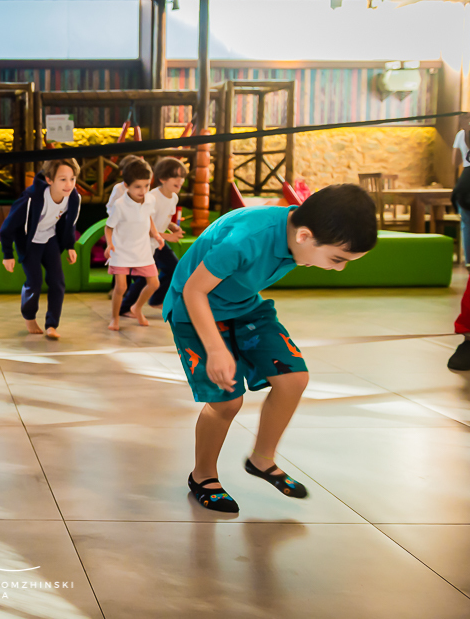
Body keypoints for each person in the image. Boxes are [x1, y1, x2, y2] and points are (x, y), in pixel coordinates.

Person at [164, 185, 377, 512]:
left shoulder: (297, 236)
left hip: (244, 305)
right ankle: (203, 475)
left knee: (294, 379)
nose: (338, 268)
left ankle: (261, 459)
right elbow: (194, 292)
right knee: (227, 400)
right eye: (337, 259)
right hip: (195, 308)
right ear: (305, 236)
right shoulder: (245, 239)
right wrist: (216, 349)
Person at [0, 158, 81, 339]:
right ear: (50, 180)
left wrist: (69, 246)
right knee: (34, 282)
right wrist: (7, 254)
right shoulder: (32, 197)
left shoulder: (73, 198)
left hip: (50, 240)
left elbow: (70, 224)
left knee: (58, 282)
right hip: (30, 243)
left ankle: (52, 324)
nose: (69, 184)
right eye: (63, 179)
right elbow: (7, 226)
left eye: (72, 179)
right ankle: (29, 316)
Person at [120, 156, 186, 316]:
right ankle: (125, 308)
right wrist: (167, 237)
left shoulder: (174, 197)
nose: (180, 180)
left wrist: (172, 227)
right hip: (143, 243)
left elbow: (164, 219)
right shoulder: (152, 198)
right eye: (175, 176)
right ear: (162, 178)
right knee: (143, 278)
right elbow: (143, 225)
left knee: (173, 268)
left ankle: (156, 300)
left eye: (182, 176)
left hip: (157, 243)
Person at [106, 158, 165, 330]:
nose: (143, 190)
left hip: (142, 249)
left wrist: (156, 235)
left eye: (146, 185)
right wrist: (109, 245)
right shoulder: (120, 205)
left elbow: (148, 217)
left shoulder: (150, 200)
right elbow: (108, 228)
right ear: (126, 185)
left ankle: (136, 307)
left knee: (154, 283)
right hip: (121, 250)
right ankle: (114, 318)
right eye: (138, 186)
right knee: (121, 287)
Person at [451, 116, 470, 269]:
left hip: (466, 181)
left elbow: (455, 161)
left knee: (467, 224)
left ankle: (469, 261)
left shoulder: (462, 134)